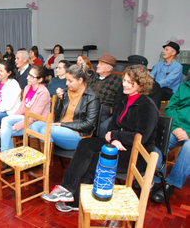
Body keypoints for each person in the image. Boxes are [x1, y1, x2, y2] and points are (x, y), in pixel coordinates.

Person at [41, 65, 158, 212]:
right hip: (118, 144)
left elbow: (141, 136)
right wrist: (114, 139)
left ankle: (76, 201)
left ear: (141, 84)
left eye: (130, 82)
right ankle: (66, 188)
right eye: (124, 80)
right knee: (85, 144)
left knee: (92, 159)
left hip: (136, 154)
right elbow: (112, 126)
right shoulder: (123, 100)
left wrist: (115, 136)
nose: (125, 84)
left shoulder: (147, 106)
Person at [29, 64, 100, 177]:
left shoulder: (92, 98)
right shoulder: (67, 92)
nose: (66, 83)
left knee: (45, 130)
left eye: (70, 81)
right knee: (33, 127)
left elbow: (89, 124)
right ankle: (36, 163)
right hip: (60, 129)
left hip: (79, 136)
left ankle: (44, 168)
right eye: (66, 80)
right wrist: (61, 100)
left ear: (80, 80)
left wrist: (63, 125)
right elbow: (57, 115)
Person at [151, 80, 190, 204]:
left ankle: (170, 183)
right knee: (158, 140)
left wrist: (188, 133)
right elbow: (171, 107)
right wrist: (176, 128)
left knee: (189, 148)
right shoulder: (184, 86)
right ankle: (158, 179)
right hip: (177, 128)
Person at [0, 65, 51, 156]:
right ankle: (9, 156)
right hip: (25, 118)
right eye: (28, 75)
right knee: (5, 126)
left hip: (36, 122)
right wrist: (11, 122)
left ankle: (6, 157)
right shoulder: (27, 87)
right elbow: (21, 108)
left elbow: (34, 116)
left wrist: (14, 127)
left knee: (5, 132)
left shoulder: (43, 92)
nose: (27, 78)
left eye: (32, 76)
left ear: (40, 80)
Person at [87, 53, 122, 123]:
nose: (97, 66)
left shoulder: (117, 81)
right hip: (88, 107)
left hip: (104, 110)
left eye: (102, 64)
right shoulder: (91, 78)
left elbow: (120, 99)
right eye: (98, 63)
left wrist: (112, 110)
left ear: (109, 68)